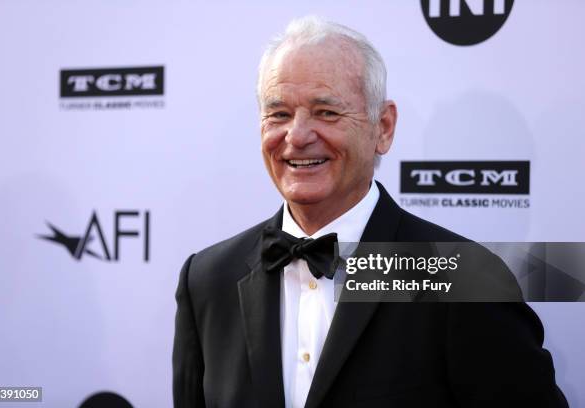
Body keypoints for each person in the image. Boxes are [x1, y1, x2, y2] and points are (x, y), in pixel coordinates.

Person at [173, 16, 567, 408]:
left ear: (383, 127)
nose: (297, 135)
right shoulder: (207, 280)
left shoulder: (461, 277)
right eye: (279, 114)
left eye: (326, 112)